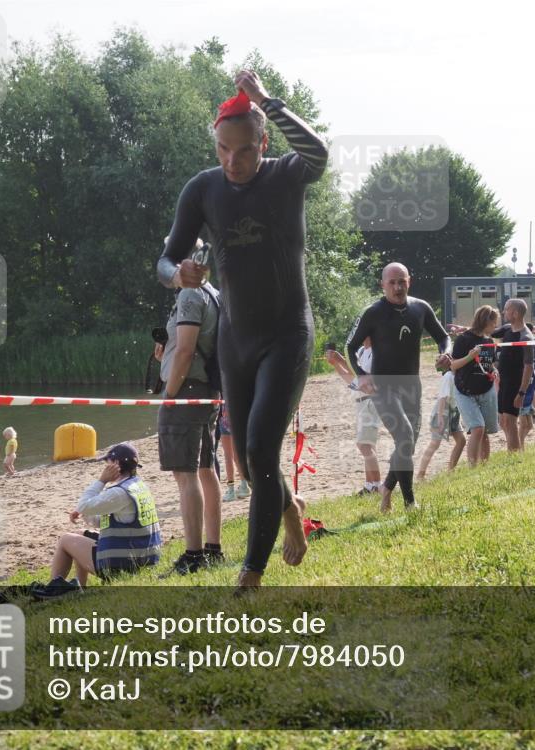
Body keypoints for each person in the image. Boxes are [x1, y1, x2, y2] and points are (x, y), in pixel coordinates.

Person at [158, 70, 328, 590]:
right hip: (236, 339)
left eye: (245, 150)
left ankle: (251, 573)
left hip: (287, 334)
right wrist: (178, 275)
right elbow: (164, 261)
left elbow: (319, 153)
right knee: (253, 466)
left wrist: (266, 100)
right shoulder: (203, 189)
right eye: (223, 149)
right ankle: (290, 510)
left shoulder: (285, 175)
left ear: (263, 143)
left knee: (258, 446)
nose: (233, 161)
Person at [346, 263, 452, 512]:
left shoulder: (420, 308)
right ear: (382, 285)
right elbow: (349, 346)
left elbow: (443, 337)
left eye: (401, 281)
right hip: (383, 386)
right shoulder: (373, 312)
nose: (397, 287)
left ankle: (386, 487)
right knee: (404, 436)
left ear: (409, 281)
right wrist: (361, 375)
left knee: (408, 445)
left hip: (412, 385)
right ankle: (410, 503)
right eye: (392, 283)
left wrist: (446, 353)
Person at [157, 269, 224, 573]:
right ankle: (212, 549)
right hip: (208, 389)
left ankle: (194, 556)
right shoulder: (213, 293)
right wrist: (167, 354)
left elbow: (186, 351)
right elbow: (189, 346)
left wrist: (170, 392)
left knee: (185, 474)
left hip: (186, 391)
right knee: (206, 469)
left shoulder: (189, 293)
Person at [33, 443, 161, 598]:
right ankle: (80, 587)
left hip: (124, 565)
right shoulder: (137, 486)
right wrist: (85, 514)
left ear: (115, 464)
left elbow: (83, 505)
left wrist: (102, 480)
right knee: (79, 534)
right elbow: (111, 520)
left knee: (65, 540)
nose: (105, 467)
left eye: (107, 463)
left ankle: (53, 589)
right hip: (144, 557)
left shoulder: (119, 492)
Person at [326, 340, 382, 495]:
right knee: (368, 446)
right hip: (361, 402)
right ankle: (370, 485)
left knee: (364, 445)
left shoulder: (377, 352)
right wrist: (336, 364)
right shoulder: (362, 351)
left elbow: (365, 378)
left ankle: (377, 486)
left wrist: (341, 360)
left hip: (370, 401)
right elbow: (353, 380)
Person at [451, 305, 501, 467]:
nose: (495, 326)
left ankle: (483, 467)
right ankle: (473, 467)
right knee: (478, 428)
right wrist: (469, 356)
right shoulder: (463, 339)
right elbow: (453, 366)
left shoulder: (489, 341)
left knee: (485, 432)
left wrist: (494, 371)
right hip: (465, 391)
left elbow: (490, 364)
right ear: (485, 321)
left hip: (486, 390)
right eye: (494, 322)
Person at [492, 298, 535, 452]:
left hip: (515, 385)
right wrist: (464, 329)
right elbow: (488, 331)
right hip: (503, 382)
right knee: (503, 422)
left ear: (515, 313)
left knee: (510, 422)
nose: (503, 312)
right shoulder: (507, 328)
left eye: (506, 309)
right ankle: (512, 453)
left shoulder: (526, 337)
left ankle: (515, 458)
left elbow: (529, 367)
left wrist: (521, 393)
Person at [416, 366, 466, 478]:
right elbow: (443, 397)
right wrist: (440, 417)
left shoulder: (460, 376)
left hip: (454, 412)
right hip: (442, 412)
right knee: (435, 443)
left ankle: (450, 471)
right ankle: (420, 474)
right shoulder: (448, 376)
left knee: (461, 441)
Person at [216, 405, 249, 502]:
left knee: (228, 457)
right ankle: (244, 485)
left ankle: (231, 490)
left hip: (225, 417)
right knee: (236, 455)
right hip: (236, 416)